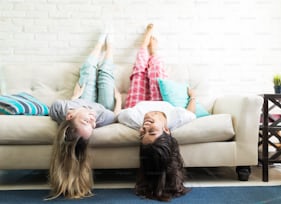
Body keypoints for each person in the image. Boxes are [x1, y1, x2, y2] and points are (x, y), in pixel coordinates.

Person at [118, 24, 194, 201]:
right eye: (152, 131)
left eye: (143, 133)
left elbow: (119, 114)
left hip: (137, 104)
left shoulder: (133, 118)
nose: (145, 127)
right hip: (161, 103)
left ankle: (143, 46)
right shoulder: (176, 118)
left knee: (138, 73)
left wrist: (117, 101)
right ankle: (154, 53)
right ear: (167, 130)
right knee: (156, 73)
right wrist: (193, 97)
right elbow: (191, 114)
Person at [47, 32, 121, 200]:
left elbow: (61, 109)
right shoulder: (102, 117)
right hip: (104, 106)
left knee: (88, 71)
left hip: (81, 100)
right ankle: (110, 49)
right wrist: (119, 101)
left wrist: (74, 98)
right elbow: (115, 116)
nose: (93, 120)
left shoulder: (61, 108)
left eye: (86, 121)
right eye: (93, 125)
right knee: (105, 75)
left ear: (69, 115)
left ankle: (99, 45)